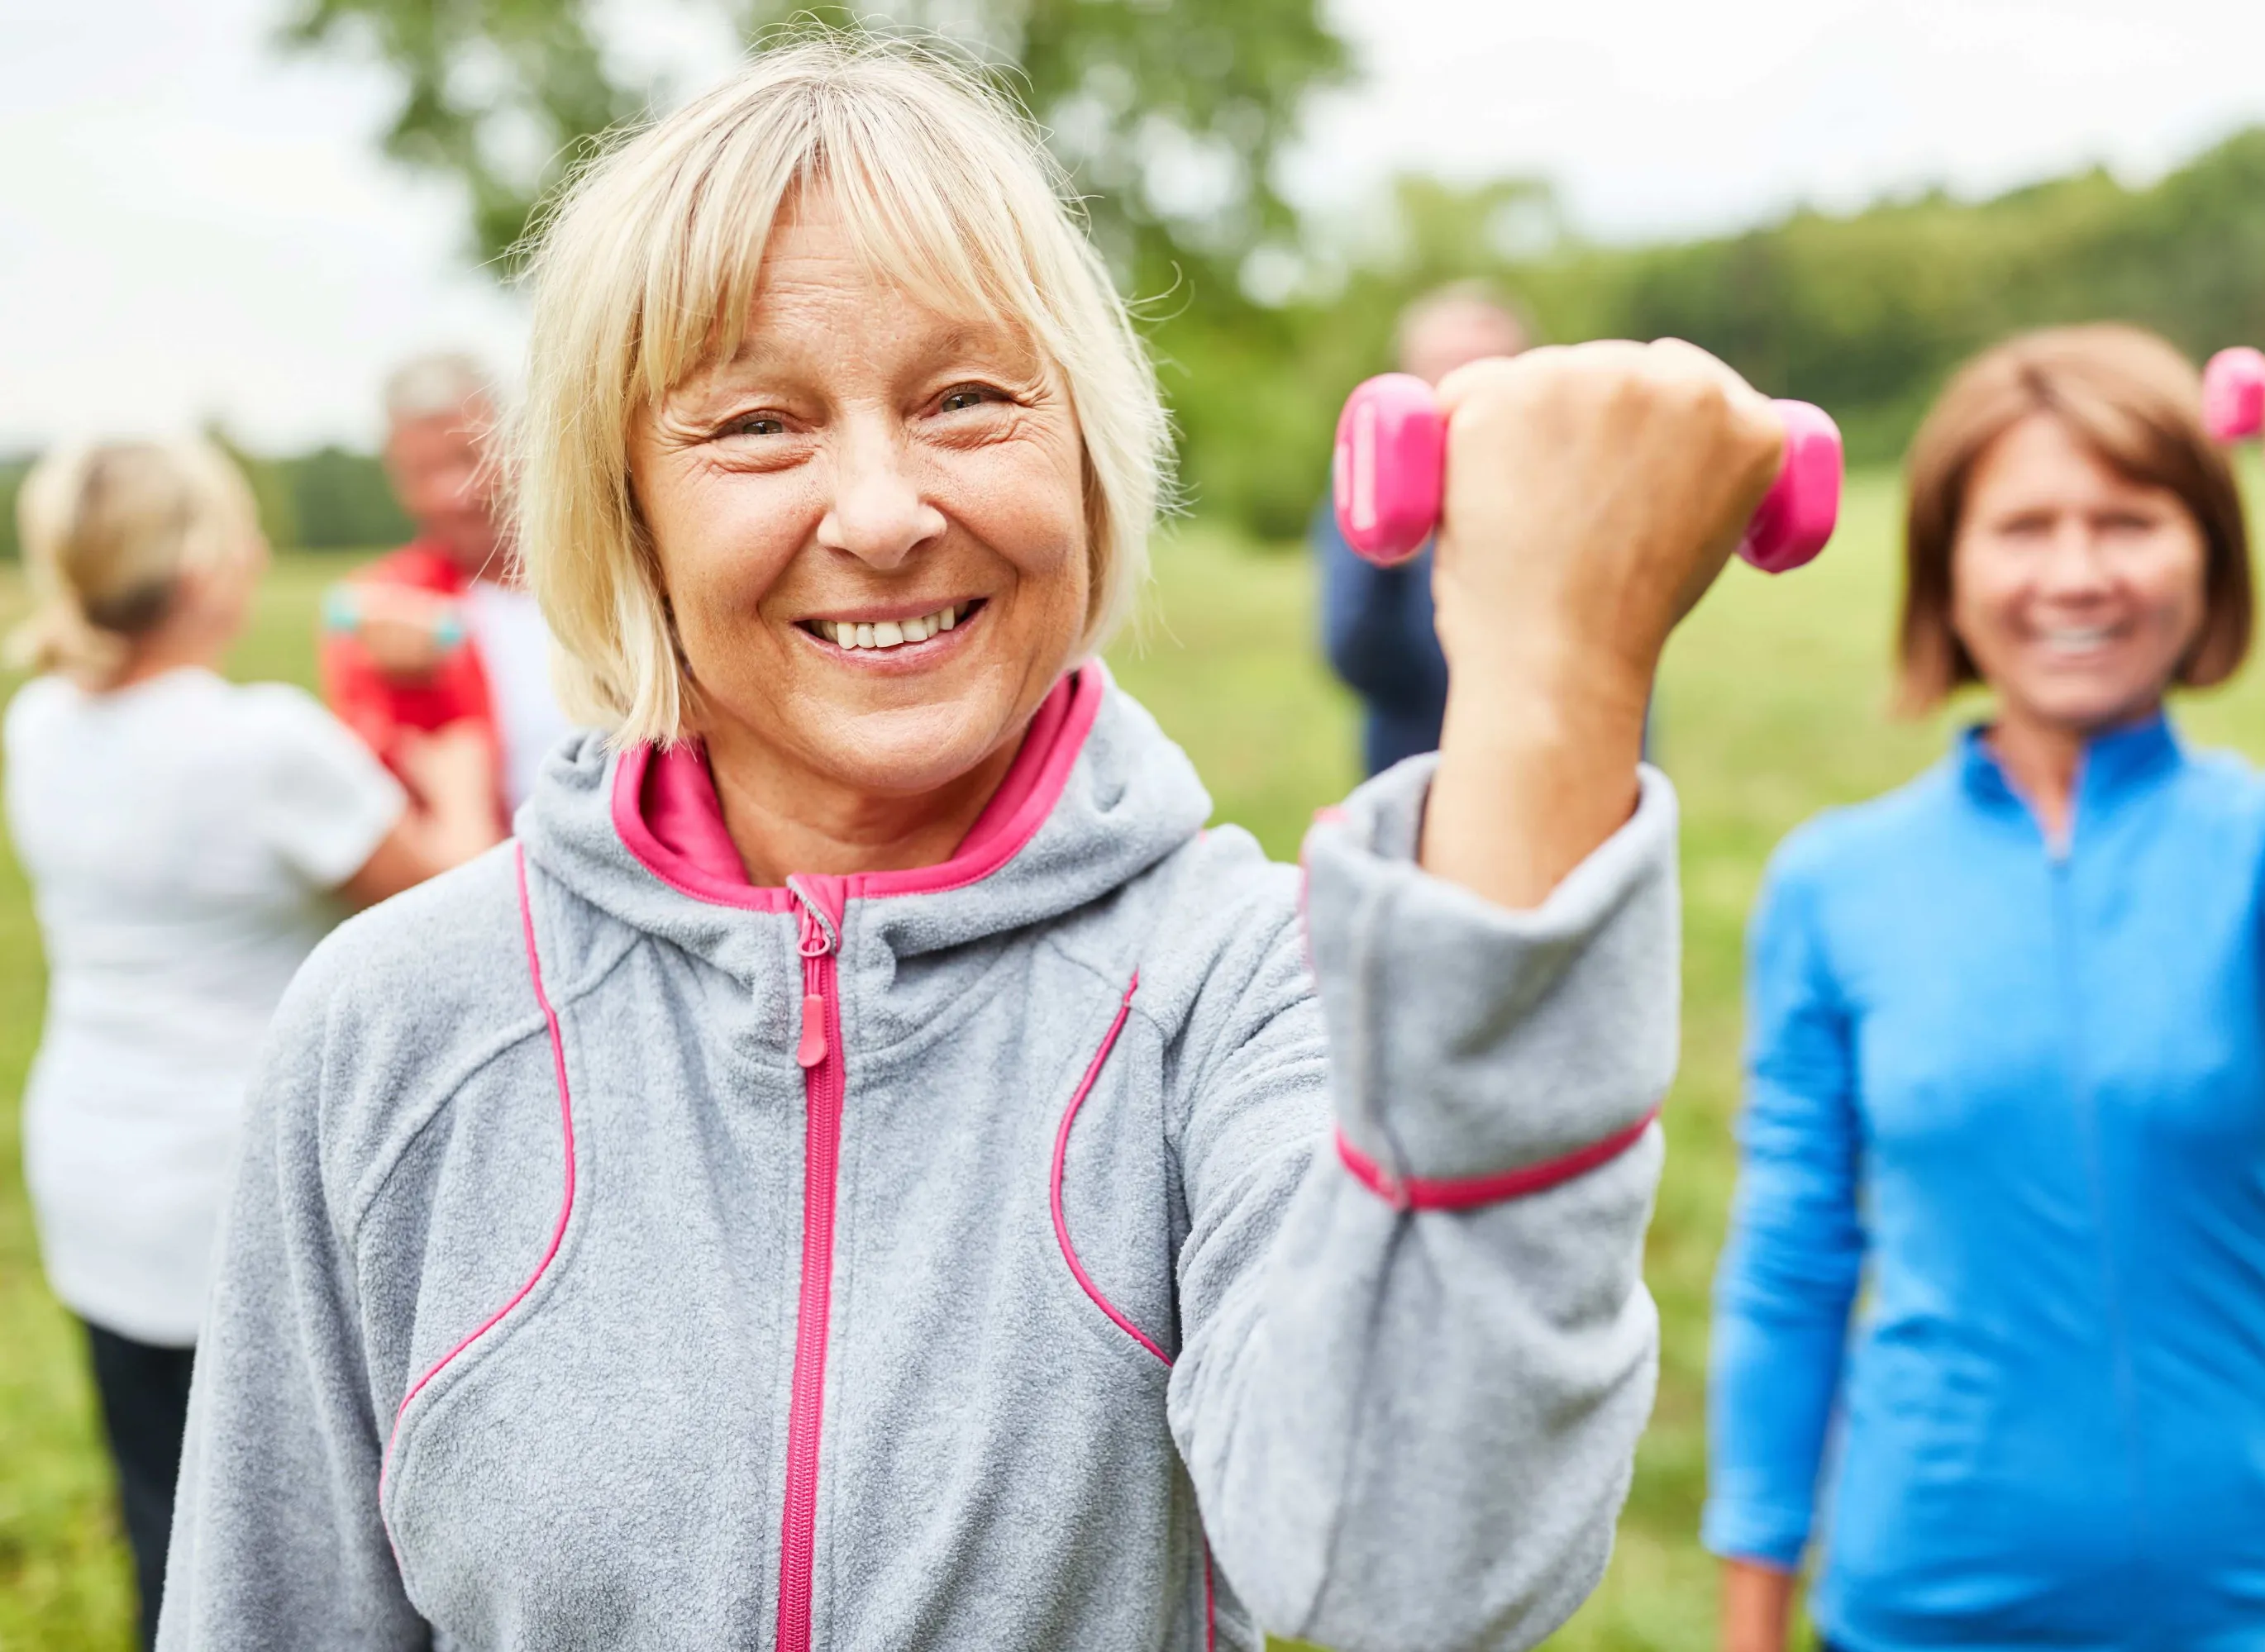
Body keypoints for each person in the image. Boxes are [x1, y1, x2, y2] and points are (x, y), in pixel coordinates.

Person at [160, 38, 1793, 1652]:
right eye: (755, 426)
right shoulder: (392, 1030)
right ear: (623, 507)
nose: (880, 513)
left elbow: (1413, 1570)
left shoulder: (1248, 992)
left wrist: (1550, 664)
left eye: (966, 399)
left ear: (1082, 450)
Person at [1704, 321, 2265, 1652]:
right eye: (2023, 526)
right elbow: (1792, 1261)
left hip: (2252, 1603)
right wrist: (1752, 1615)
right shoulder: (1836, 882)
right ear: (1945, 570)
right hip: (1915, 1607)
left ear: (2210, 558)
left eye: (2127, 520)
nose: (2077, 573)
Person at [4, 437, 502, 1649]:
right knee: (294, 1544)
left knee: (159, 1497)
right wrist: (456, 758)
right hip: (233, 1191)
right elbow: (460, 901)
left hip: (93, 1163)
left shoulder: (39, 720)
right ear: (200, 568)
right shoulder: (257, 742)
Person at [320, 352, 575, 819]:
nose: (454, 494)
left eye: (470, 457)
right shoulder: (384, 606)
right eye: (422, 472)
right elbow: (377, 803)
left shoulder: (604, 569)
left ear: (518, 444)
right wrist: (408, 690)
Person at [1314, 283, 1531, 774]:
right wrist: (1390, 561)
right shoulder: (1369, 482)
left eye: (1486, 367)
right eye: (1444, 366)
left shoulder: (1569, 489)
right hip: (1415, 775)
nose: (1461, 385)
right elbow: (1352, 656)